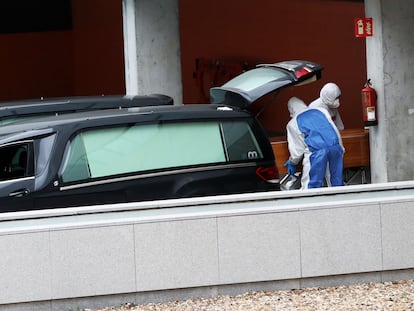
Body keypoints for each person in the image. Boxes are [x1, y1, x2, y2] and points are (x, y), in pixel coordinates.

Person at [283, 97, 345, 189]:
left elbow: (297, 150)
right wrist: (341, 148)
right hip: (335, 147)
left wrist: (292, 162)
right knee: (336, 183)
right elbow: (334, 129)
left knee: (311, 185)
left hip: (316, 153)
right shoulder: (320, 110)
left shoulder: (293, 123)